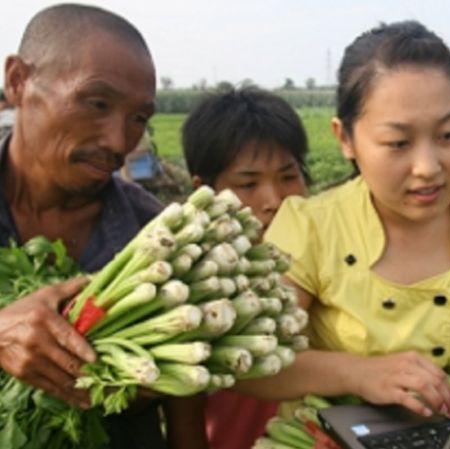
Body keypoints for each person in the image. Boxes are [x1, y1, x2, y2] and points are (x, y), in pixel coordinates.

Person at [235, 20, 450, 419]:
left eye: (448, 135)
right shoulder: (311, 228)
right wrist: (358, 374)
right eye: (398, 143)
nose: (428, 167)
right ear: (345, 139)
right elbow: (249, 366)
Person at [0, 4, 176, 448]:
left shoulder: (154, 236)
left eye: (139, 118)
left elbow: (179, 415)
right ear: (18, 81)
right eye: (96, 103)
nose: (118, 142)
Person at [174, 87, 311, 449]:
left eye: (288, 176)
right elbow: (184, 412)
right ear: (205, 191)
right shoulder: (195, 288)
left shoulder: (329, 258)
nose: (274, 201)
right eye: (248, 184)